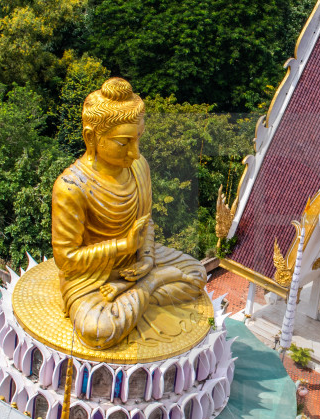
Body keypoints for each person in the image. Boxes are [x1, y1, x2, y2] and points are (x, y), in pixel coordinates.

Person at [51, 78, 206, 350]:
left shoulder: (138, 167)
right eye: (124, 143)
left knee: (196, 273)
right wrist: (123, 246)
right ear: (91, 137)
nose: (135, 152)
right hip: (92, 276)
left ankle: (147, 284)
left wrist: (146, 259)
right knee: (98, 330)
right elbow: (66, 260)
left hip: (136, 262)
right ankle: (149, 287)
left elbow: (145, 223)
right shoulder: (71, 187)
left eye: (138, 139)